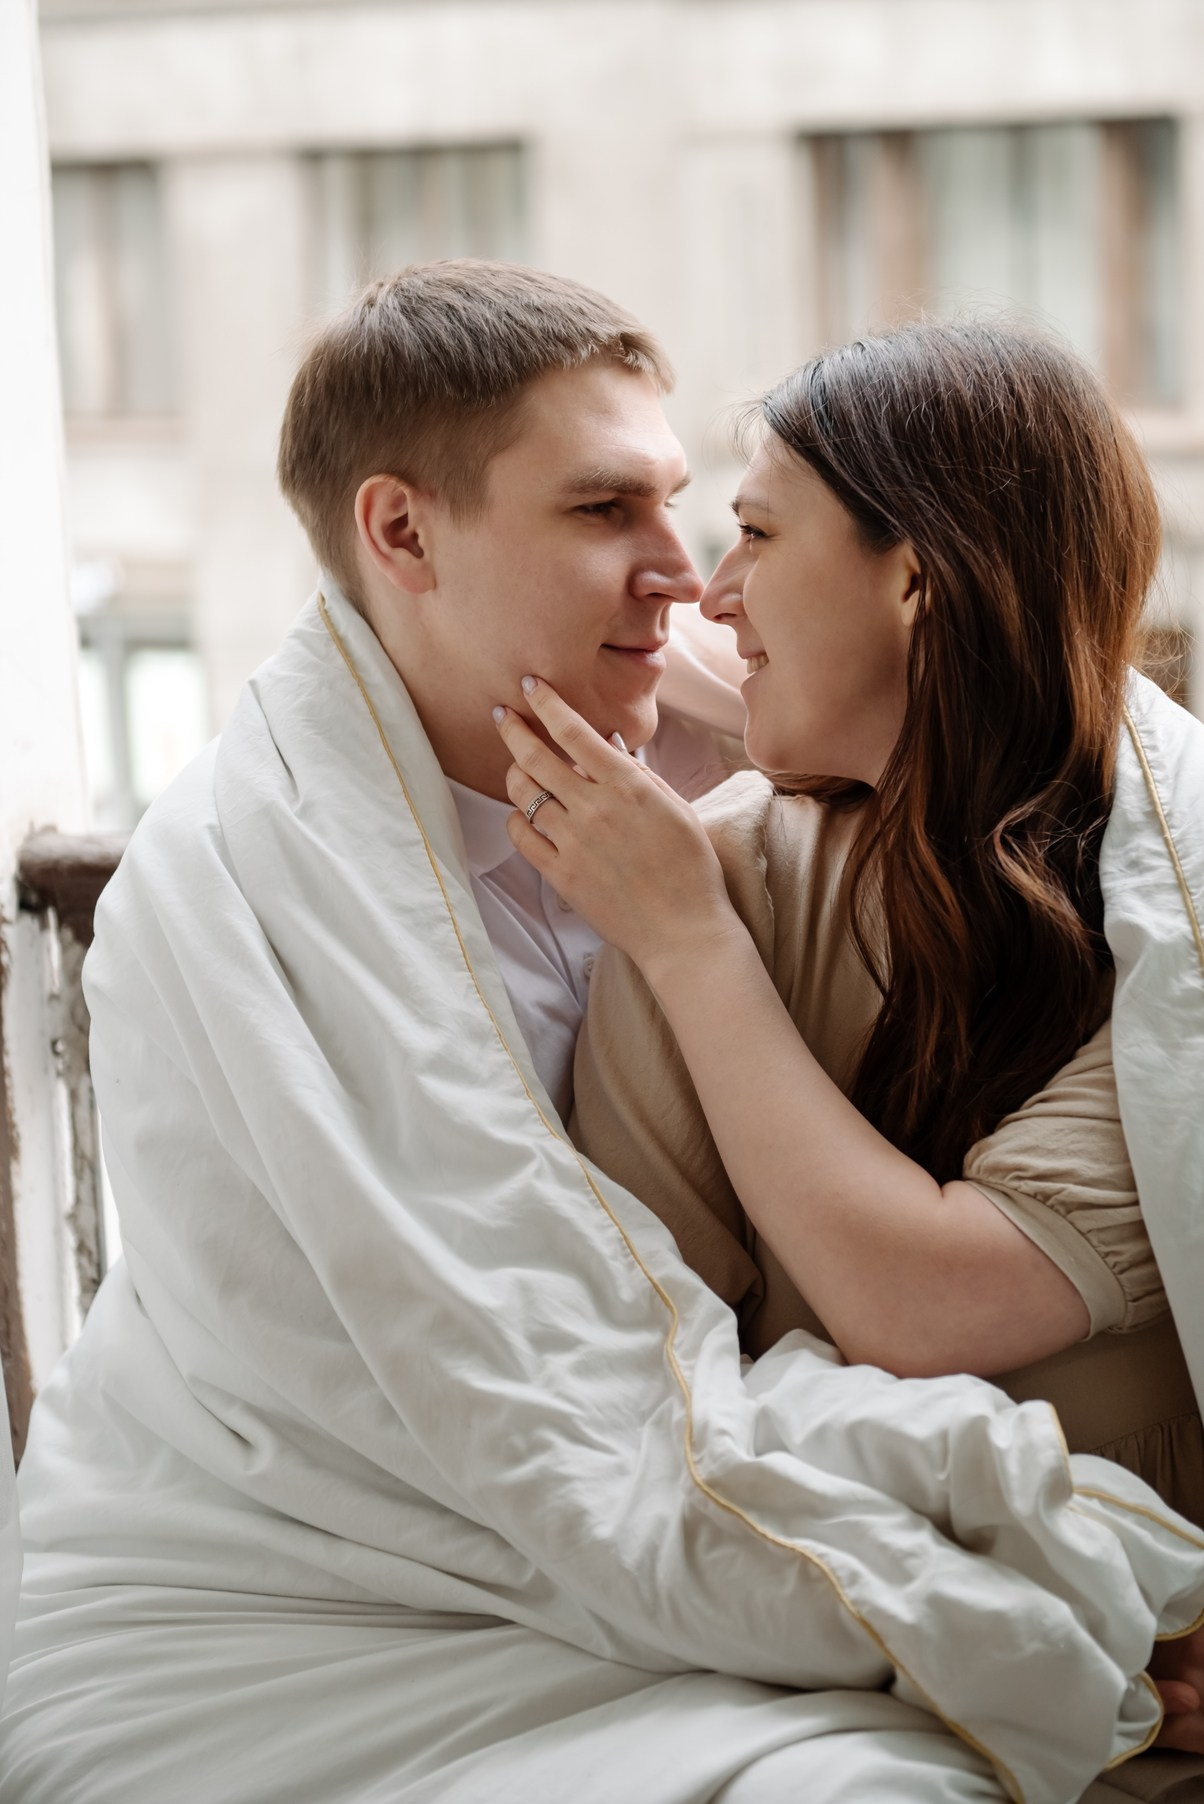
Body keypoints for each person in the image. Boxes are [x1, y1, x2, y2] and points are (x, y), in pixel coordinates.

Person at [4, 269, 1204, 1804]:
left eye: (710, 520)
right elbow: (552, 1374)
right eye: (601, 514)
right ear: (401, 534)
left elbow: (937, 684)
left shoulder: (725, 804)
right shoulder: (265, 873)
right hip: (319, 1581)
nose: (687, 577)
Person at [492, 318, 1204, 1763]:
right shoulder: (736, 874)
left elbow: (929, 1303)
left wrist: (689, 945)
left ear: (920, 577)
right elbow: (652, 1361)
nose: (713, 588)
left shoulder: (1158, 925)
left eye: (753, 530)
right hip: (849, 1588)